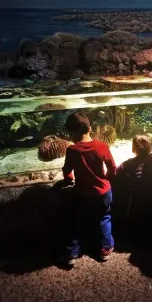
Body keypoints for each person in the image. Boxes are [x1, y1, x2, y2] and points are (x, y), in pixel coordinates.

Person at [61, 112, 116, 266]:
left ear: (71, 133)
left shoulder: (72, 150)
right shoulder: (102, 146)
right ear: (90, 128)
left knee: (77, 222)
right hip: (103, 193)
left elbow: (67, 170)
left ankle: (72, 253)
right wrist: (108, 177)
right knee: (104, 218)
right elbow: (112, 168)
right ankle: (105, 249)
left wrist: (69, 179)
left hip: (82, 194)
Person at [113, 134, 152, 236]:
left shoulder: (127, 163)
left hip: (134, 197)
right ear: (151, 149)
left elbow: (115, 171)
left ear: (133, 149)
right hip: (150, 193)